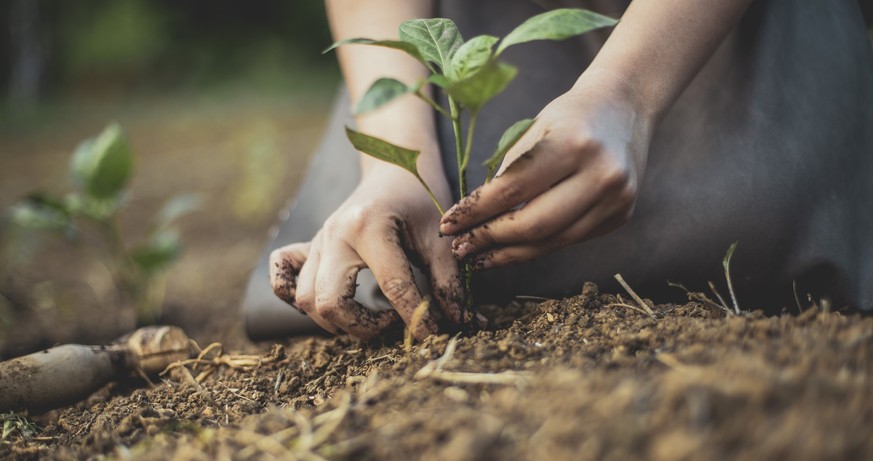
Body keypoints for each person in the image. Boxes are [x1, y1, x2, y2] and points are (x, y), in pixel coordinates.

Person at [243, 0, 873, 341]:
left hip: (697, 27)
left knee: (750, 211)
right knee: (376, 250)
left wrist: (629, 90)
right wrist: (395, 158)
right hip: (457, 37)